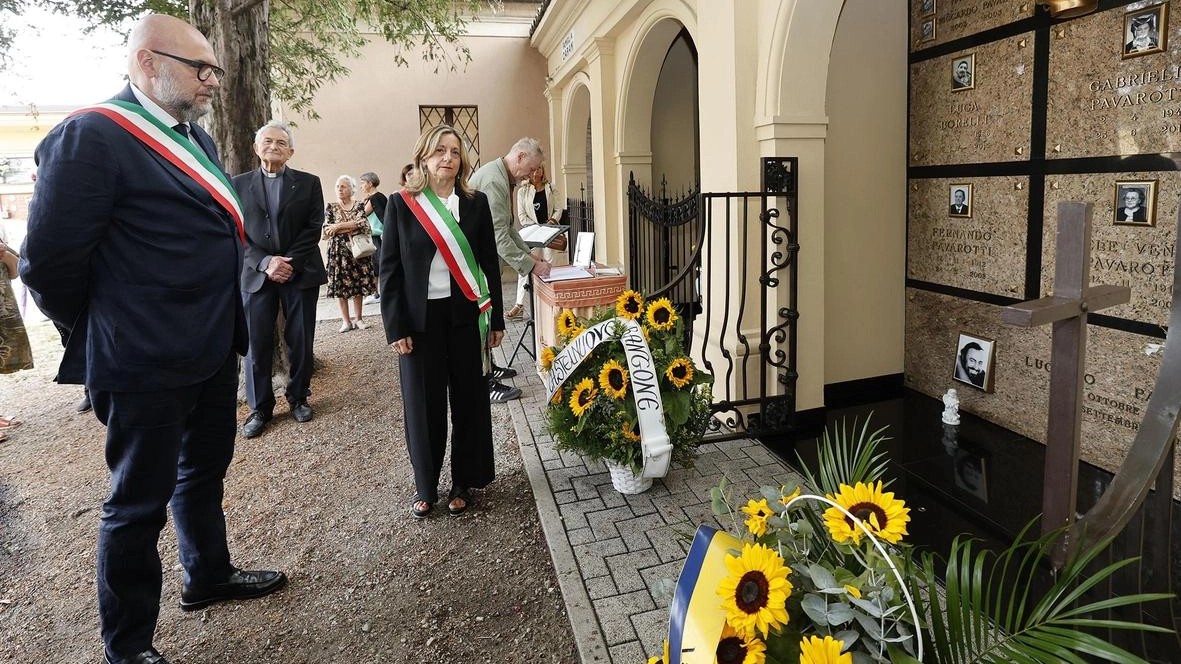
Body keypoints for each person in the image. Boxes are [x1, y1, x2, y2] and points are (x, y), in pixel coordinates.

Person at [18, 15, 286, 664]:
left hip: (211, 348)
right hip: (141, 362)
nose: (213, 81)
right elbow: (48, 266)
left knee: (203, 473)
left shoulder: (196, 139)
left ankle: (207, 576)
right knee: (136, 507)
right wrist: (107, 330)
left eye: (215, 69)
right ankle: (128, 646)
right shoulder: (91, 137)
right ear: (146, 64)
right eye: (200, 68)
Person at [380, 124, 505, 519]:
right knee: (423, 404)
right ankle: (425, 485)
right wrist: (394, 326)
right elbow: (390, 271)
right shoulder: (402, 204)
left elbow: (489, 264)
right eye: (439, 151)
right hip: (420, 322)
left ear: (462, 160)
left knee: (468, 399)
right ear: (423, 156)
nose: (447, 158)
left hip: (466, 316)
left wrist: (496, 318)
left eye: (454, 151)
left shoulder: (476, 203)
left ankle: (464, 480)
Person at [234, 120, 326, 439]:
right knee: (256, 343)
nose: (273, 146)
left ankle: (298, 397)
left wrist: (288, 262)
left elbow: (314, 226)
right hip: (256, 273)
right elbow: (236, 231)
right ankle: (260, 408)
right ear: (256, 147)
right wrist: (265, 262)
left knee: (300, 339)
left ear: (291, 151)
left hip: (299, 272)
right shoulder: (237, 184)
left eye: (281, 143)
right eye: (267, 141)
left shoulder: (309, 183)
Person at [468, 137, 550, 403]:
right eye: (530, 169)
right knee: (482, 322)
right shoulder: (494, 181)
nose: (530, 176)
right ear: (521, 156)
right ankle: (486, 382)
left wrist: (527, 255)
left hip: (480, 260)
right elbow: (498, 236)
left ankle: (489, 368)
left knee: (486, 319)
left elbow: (508, 229)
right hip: (475, 265)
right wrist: (531, 266)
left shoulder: (500, 175)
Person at [509, 163, 566, 318]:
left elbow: (558, 209)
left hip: (550, 232)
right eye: (534, 168)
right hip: (533, 234)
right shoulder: (522, 191)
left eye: (540, 168)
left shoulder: (551, 188)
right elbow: (521, 215)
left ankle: (554, 302)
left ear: (543, 171)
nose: (537, 171)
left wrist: (551, 222)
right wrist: (536, 227)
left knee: (550, 265)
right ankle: (519, 305)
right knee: (526, 266)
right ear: (529, 171)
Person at [323, 174, 378, 333]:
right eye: (337, 186)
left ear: (352, 189)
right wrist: (350, 226)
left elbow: (364, 225)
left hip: (357, 252)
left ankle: (359, 319)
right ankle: (346, 321)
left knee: (358, 285)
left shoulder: (359, 205)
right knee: (341, 287)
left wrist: (339, 226)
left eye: (343, 186)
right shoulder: (331, 207)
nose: (339, 189)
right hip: (338, 253)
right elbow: (327, 230)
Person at [359, 171, 386, 304]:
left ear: (370, 183)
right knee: (375, 265)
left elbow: (361, 215)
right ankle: (375, 293)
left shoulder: (375, 198)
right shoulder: (375, 197)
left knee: (378, 265)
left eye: (362, 183)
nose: (361, 186)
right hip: (375, 236)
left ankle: (376, 294)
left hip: (377, 236)